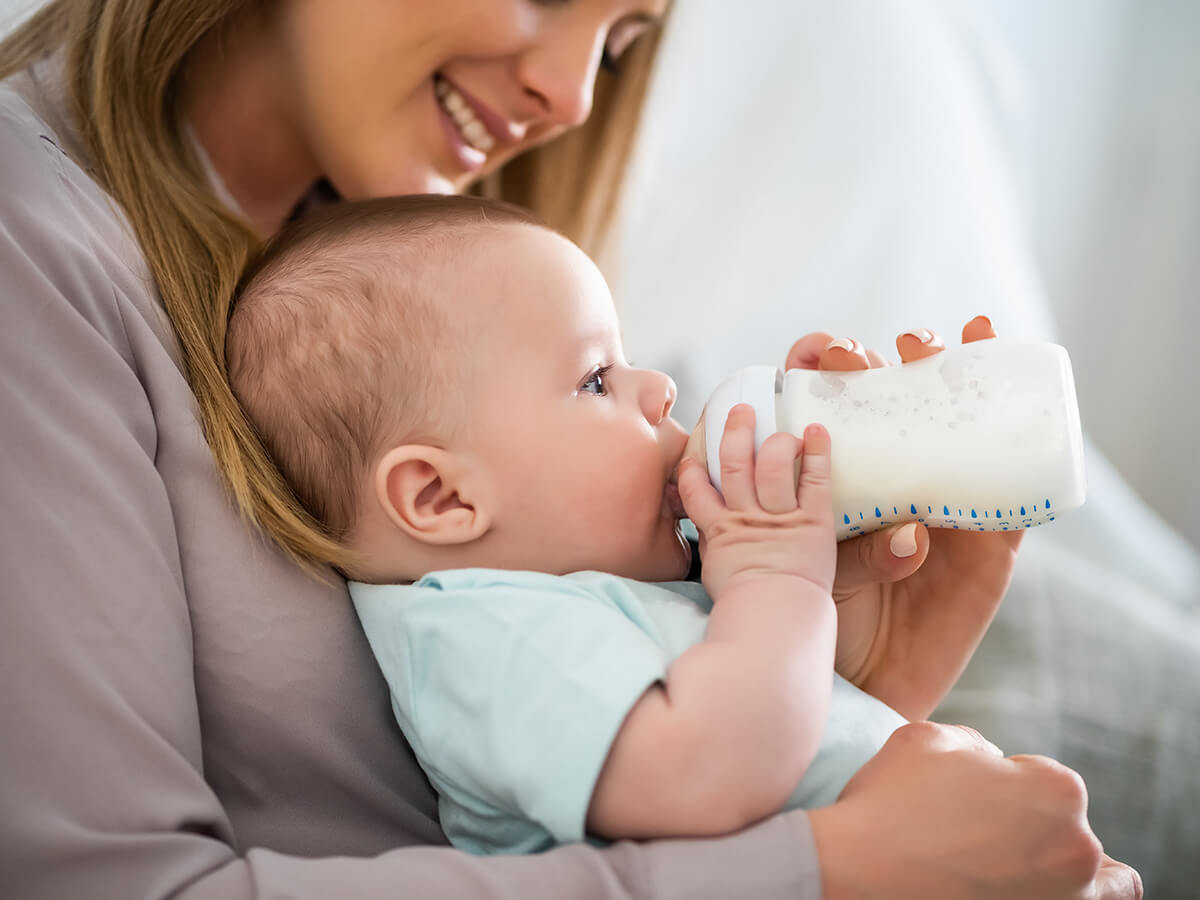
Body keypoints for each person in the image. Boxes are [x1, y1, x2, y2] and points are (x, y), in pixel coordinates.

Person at [0, 1, 1141, 897]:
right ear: (430, 495)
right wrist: (832, 872)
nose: (571, 94)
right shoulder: (35, 242)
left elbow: (621, 791)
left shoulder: (410, 273)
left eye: (625, 39)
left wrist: (869, 671)